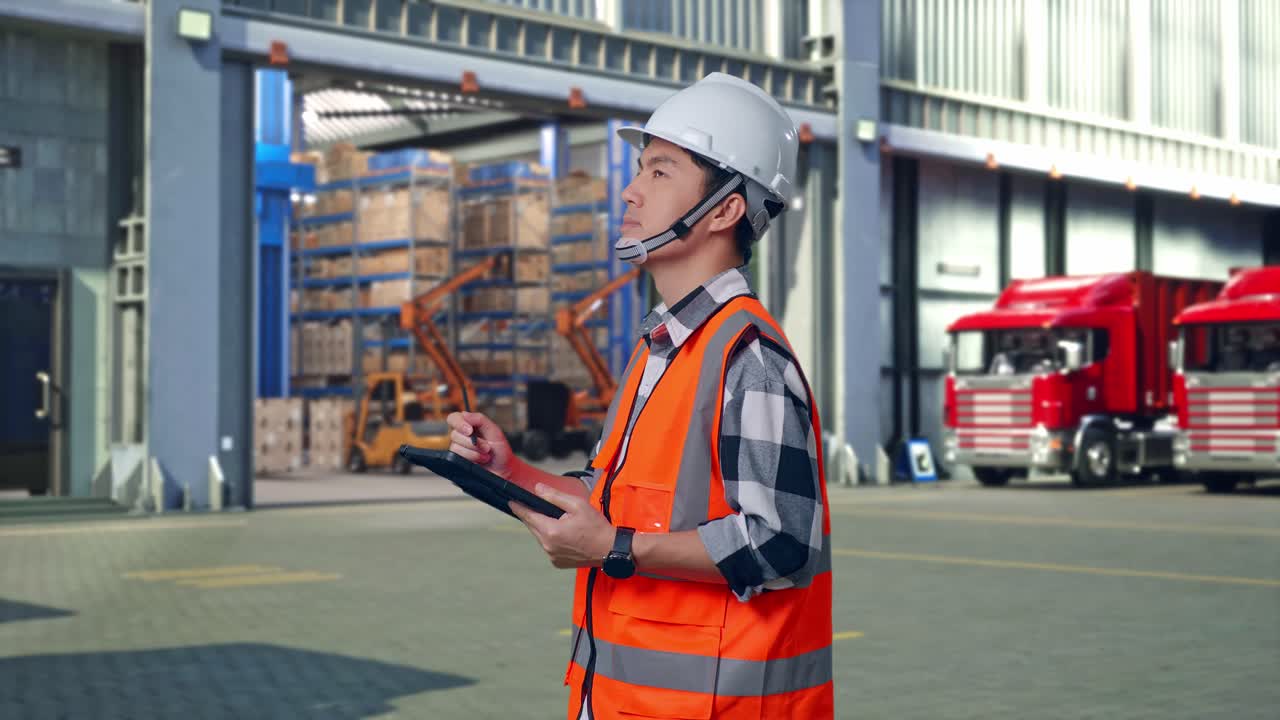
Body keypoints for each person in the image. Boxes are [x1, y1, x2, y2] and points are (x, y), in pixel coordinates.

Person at [446, 73, 833, 720]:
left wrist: (615, 549)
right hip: (627, 701)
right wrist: (509, 473)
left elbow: (778, 543)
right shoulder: (659, 348)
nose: (630, 190)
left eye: (660, 172)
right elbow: (612, 508)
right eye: (640, 170)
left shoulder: (749, 358)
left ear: (725, 210)